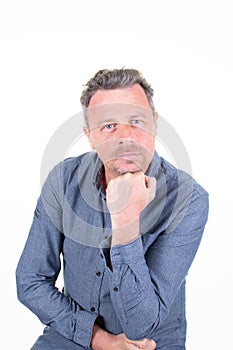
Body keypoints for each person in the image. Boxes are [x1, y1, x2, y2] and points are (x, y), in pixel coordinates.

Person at [16, 68, 209, 350]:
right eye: (108, 126)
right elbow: (30, 281)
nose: (126, 137)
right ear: (90, 136)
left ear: (154, 123)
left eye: (137, 121)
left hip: (148, 345)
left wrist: (125, 222)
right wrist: (97, 338)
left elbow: (141, 324)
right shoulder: (63, 181)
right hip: (70, 339)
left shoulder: (188, 200)